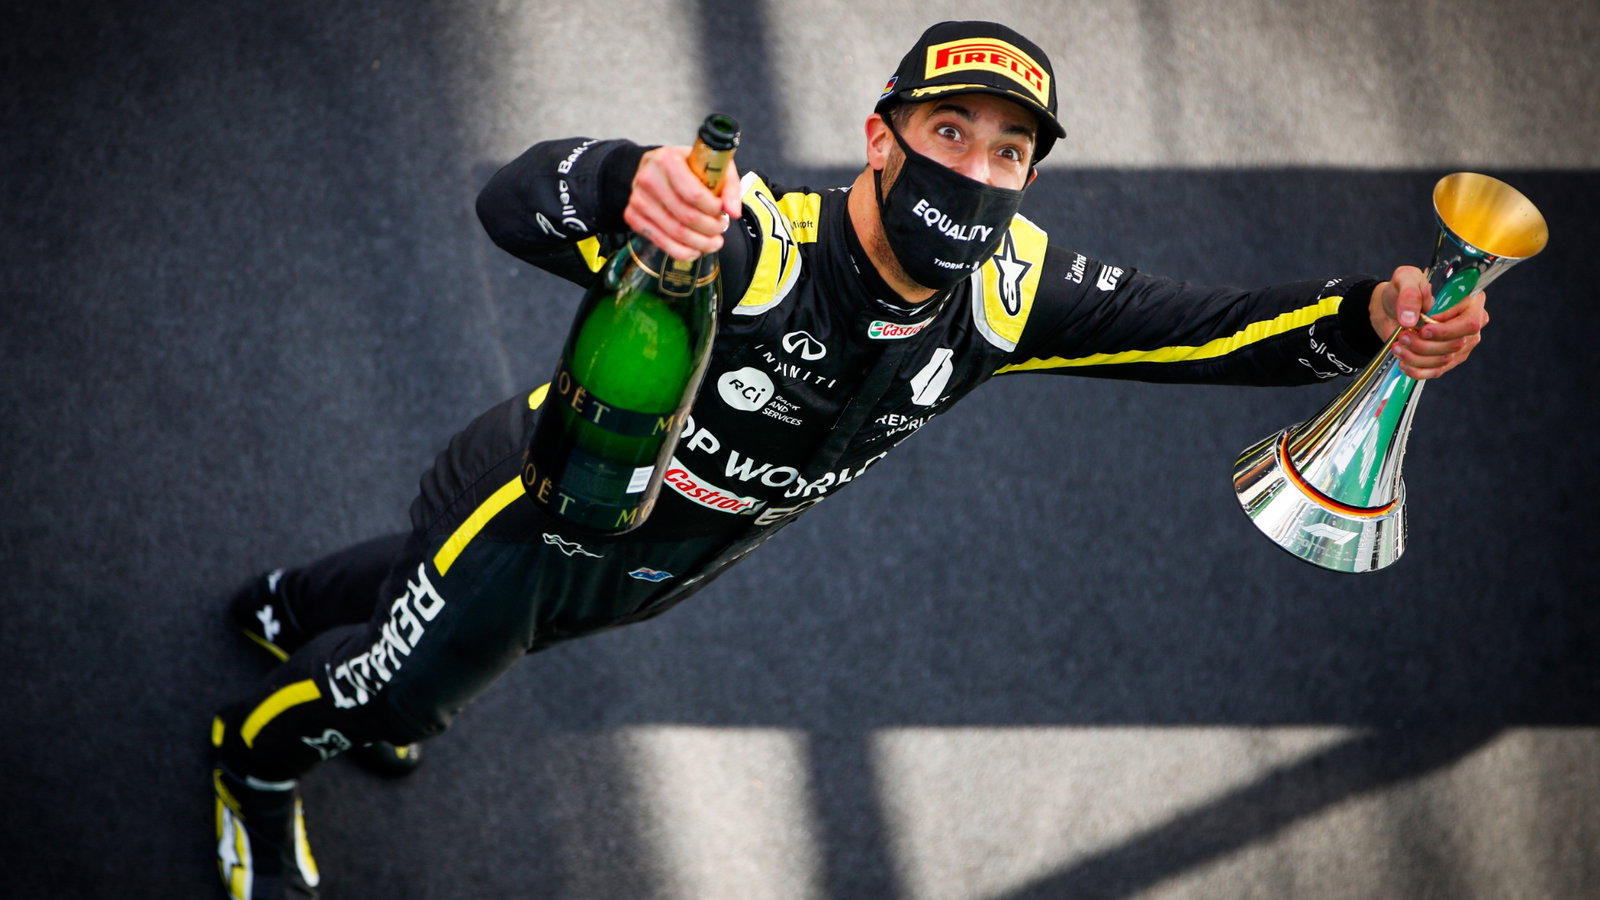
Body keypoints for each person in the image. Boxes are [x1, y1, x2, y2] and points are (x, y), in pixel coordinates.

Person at [209, 20, 1487, 899]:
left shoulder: (1010, 289)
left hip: (655, 568)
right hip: (534, 513)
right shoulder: (750, 240)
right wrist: (622, 182)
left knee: (421, 620)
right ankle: (252, 768)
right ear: (881, 137)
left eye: (1007, 153)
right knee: (396, 697)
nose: (976, 172)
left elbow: (1210, 334)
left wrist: (1363, 316)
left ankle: (286, 604)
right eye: (949, 133)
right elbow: (509, 203)